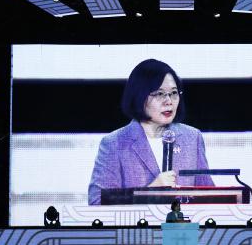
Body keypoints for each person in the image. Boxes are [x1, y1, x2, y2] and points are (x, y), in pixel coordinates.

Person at [88, 59, 214, 205]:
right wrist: (149, 192)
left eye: (173, 93)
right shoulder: (114, 143)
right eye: (159, 94)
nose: (169, 101)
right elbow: (97, 202)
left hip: (183, 227)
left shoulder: (192, 138)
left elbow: (209, 196)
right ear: (139, 96)